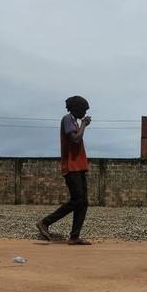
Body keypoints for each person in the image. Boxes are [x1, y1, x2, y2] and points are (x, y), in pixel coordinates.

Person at [36, 95, 92, 245]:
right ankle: (45, 222)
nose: (85, 113)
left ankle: (74, 237)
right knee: (77, 200)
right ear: (75, 108)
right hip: (71, 166)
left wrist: (81, 124)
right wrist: (84, 125)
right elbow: (75, 139)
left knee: (83, 202)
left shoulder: (74, 121)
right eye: (83, 110)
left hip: (79, 167)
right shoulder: (67, 119)